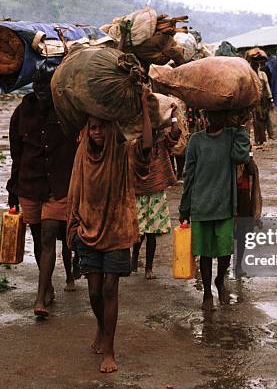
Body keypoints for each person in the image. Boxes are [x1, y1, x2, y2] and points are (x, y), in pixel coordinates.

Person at [66, 87, 154, 373]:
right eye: (93, 128)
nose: (97, 133)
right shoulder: (82, 156)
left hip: (117, 229)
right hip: (88, 230)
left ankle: (110, 349)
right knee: (93, 292)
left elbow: (147, 147)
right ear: (86, 131)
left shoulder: (122, 153)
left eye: (102, 128)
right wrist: (74, 226)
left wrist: (142, 106)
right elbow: (75, 192)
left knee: (109, 287)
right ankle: (103, 330)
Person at [6, 63, 78, 317]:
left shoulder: (68, 110)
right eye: (37, 84)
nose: (41, 90)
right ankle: (46, 286)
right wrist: (12, 188)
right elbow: (17, 153)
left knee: (48, 237)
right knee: (38, 239)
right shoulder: (22, 112)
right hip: (30, 183)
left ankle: (40, 299)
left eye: (46, 85)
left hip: (59, 185)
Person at [179, 109, 251, 311]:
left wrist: (240, 128)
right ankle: (207, 293)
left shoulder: (231, 136)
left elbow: (241, 157)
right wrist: (184, 208)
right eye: (212, 115)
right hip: (201, 206)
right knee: (205, 254)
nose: (216, 119)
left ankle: (220, 280)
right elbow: (189, 175)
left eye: (220, 115)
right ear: (205, 117)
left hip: (224, 206)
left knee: (224, 251)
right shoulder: (196, 141)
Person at [132, 111, 182, 279]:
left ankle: (148, 267)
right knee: (138, 233)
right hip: (139, 192)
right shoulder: (136, 143)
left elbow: (175, 133)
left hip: (154, 192)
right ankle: (134, 261)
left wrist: (173, 115)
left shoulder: (161, 141)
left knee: (151, 234)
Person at [250, 59, 274, 146]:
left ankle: (262, 138)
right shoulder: (250, 75)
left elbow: (267, 87)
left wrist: (270, 98)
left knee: (262, 119)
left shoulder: (263, 74)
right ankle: (258, 139)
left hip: (263, 100)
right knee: (256, 120)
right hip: (254, 100)